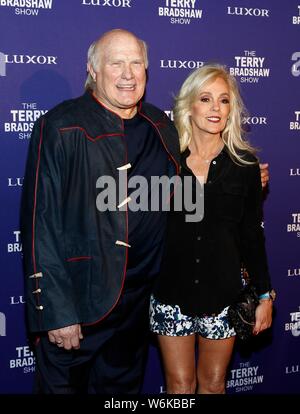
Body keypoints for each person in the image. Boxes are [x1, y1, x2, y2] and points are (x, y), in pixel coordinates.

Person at [21, 29, 269, 394]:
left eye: (136, 63)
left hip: (136, 313)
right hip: (79, 310)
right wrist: (57, 311)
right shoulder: (60, 126)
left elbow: (187, 195)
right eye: (116, 63)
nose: (128, 73)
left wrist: (243, 180)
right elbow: (39, 225)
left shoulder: (159, 127)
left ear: (147, 71)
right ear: (93, 69)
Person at [150, 64, 275, 394]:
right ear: (189, 106)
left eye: (224, 100)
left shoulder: (245, 166)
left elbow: (252, 235)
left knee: (214, 384)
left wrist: (264, 293)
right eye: (206, 99)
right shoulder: (166, 160)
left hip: (222, 296)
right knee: (178, 386)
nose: (216, 109)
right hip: (170, 294)